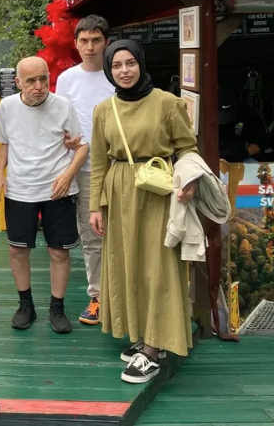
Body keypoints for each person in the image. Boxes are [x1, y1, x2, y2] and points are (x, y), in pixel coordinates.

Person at [89, 40, 198, 384]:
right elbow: (98, 161)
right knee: (128, 264)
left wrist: (190, 181)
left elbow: (188, 148)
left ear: (141, 64)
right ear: (109, 70)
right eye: (117, 65)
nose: (124, 71)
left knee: (158, 265)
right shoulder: (103, 110)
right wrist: (95, 206)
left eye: (130, 63)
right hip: (119, 191)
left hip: (157, 191)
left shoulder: (167, 102)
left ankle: (151, 350)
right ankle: (146, 334)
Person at [0, 57, 88, 334]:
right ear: (18, 82)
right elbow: (5, 144)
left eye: (43, 79)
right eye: (31, 81)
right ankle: (26, 305)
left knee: (59, 251)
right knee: (17, 249)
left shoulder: (63, 106)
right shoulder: (8, 107)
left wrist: (68, 175)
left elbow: (82, 146)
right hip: (21, 188)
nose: (38, 86)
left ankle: (57, 308)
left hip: (58, 189)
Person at [55, 15, 115, 325]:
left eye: (96, 40)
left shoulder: (117, 74)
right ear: (76, 44)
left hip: (117, 166)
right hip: (81, 167)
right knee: (92, 234)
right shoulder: (67, 79)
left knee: (121, 231)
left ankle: (122, 294)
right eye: (84, 41)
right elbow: (60, 118)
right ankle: (98, 297)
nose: (90, 47)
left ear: (106, 42)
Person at [218, 86, 268, 163]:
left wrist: (242, 153)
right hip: (215, 155)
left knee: (251, 163)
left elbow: (259, 145)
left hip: (242, 156)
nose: (223, 122)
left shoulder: (248, 114)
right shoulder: (205, 117)